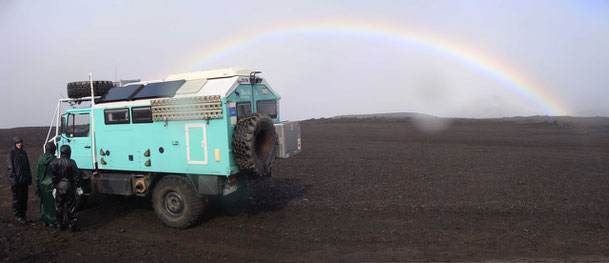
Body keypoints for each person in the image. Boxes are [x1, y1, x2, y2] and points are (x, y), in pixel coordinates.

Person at [51, 145, 83, 231]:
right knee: (71, 207)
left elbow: (54, 177)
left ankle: (59, 224)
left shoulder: (55, 162)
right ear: (69, 152)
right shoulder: (72, 162)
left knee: (58, 206)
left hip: (59, 187)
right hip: (69, 186)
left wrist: (54, 187)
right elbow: (76, 176)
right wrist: (78, 187)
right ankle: (71, 225)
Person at [6, 136, 32, 224]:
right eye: (18, 143)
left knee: (24, 199)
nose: (19, 144)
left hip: (24, 180)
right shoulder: (11, 154)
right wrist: (13, 180)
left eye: (20, 142)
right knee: (17, 199)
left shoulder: (23, 153)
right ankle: (18, 216)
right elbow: (10, 168)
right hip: (17, 181)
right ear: (15, 144)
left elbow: (27, 166)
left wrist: (29, 178)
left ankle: (23, 215)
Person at [34, 142, 58, 227]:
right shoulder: (55, 161)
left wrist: (37, 187)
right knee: (52, 204)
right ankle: (53, 220)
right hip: (51, 185)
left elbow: (36, 174)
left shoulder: (40, 159)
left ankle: (44, 220)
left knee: (43, 203)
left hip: (42, 185)